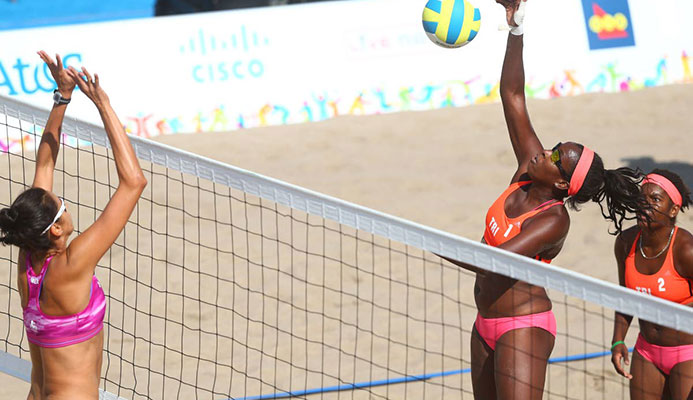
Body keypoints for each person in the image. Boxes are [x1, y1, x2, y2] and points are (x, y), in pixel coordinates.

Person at [439, 1, 646, 399]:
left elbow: (493, 261)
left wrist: (429, 242)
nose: (543, 153)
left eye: (555, 158)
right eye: (553, 148)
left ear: (563, 185)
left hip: (524, 327)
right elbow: (512, 94)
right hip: (484, 321)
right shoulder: (526, 171)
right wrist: (516, 28)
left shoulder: (553, 220)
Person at [0, 52, 147, 399]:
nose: (64, 203)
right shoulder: (72, 263)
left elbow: (45, 164)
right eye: (62, 206)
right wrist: (103, 105)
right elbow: (134, 182)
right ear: (55, 229)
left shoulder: (28, 258)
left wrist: (62, 96)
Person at [611, 169, 693, 400]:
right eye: (641, 198)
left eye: (655, 199)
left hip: (687, 353)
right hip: (646, 351)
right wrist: (618, 340)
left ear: (673, 209)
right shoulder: (626, 242)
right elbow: (624, 296)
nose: (644, 205)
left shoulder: (686, 250)